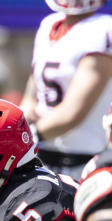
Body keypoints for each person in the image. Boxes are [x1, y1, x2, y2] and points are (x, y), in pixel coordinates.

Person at [20, 0, 112, 180]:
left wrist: (29, 134)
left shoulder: (103, 29)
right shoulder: (49, 25)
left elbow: (73, 112)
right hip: (41, 155)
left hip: (84, 162)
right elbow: (33, 87)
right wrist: (27, 108)